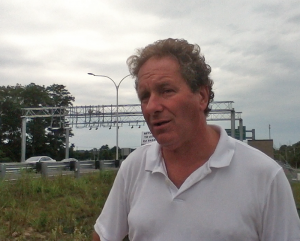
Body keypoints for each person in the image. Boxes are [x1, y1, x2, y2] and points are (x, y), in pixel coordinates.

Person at [93, 38, 300, 241]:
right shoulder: (134, 167)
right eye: (145, 96)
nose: (151, 107)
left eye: (166, 91)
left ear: (202, 96)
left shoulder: (264, 176)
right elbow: (104, 235)